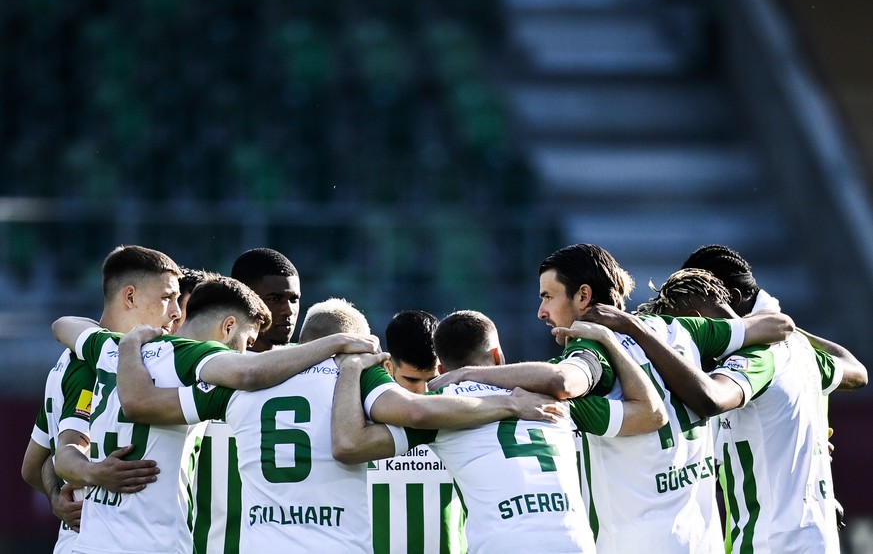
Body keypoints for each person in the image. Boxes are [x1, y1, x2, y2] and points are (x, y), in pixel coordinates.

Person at [112, 298, 560, 553]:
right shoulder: (364, 378)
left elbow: (142, 403)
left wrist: (132, 345)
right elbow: (418, 410)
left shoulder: (241, 381)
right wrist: (507, 403)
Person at [429, 244, 795, 553]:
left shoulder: (593, 351)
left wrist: (471, 373)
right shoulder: (675, 329)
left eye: (547, 297)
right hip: (702, 540)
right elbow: (779, 326)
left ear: (584, 296)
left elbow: (562, 381)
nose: (541, 311)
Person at [50, 278, 380, 554]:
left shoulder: (111, 349)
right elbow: (250, 374)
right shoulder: (200, 359)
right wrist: (336, 344)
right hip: (151, 541)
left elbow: (63, 324)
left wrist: (86, 475)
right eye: (248, 341)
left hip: (88, 542)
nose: (245, 353)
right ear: (228, 326)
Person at [333, 308, 669, 553]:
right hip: (573, 542)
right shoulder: (549, 399)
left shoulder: (442, 411)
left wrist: (352, 370)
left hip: (501, 543)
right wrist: (611, 342)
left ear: (442, 367)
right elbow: (652, 413)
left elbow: (351, 444)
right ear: (498, 354)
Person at [633, 267, 867, 553]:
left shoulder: (751, 358)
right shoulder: (797, 351)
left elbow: (711, 399)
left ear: (696, 321)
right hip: (812, 537)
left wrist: (639, 332)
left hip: (770, 542)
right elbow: (856, 372)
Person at [20, 245, 175, 553]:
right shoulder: (97, 364)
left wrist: (55, 497)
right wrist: (95, 473)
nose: (175, 312)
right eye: (166, 297)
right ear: (130, 297)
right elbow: (69, 448)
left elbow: (31, 466)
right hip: (102, 541)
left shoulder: (68, 360)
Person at [192, 248, 300, 554]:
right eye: (275, 299)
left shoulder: (309, 373)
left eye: (293, 299)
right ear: (247, 299)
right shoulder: (199, 368)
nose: (288, 311)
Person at [369, 309, 465, 554]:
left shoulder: (464, 414)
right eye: (411, 380)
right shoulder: (357, 415)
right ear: (388, 366)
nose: (423, 393)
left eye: (431, 379)